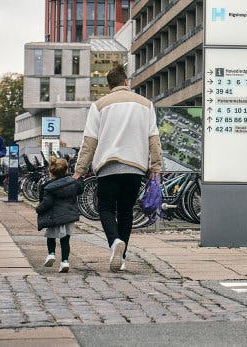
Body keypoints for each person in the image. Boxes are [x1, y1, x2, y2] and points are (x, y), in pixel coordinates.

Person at [74, 63, 161, 272]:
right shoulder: (146, 104)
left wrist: (79, 170)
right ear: (125, 82)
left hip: (108, 166)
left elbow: (89, 142)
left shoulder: (99, 105)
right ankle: (122, 259)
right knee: (125, 211)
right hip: (134, 167)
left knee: (105, 207)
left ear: (109, 85)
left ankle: (114, 243)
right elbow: (154, 138)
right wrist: (155, 166)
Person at [36, 158, 81, 273]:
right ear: (66, 170)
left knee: (51, 237)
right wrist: (78, 179)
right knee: (65, 240)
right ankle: (65, 261)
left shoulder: (49, 187)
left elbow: (47, 203)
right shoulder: (72, 183)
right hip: (69, 217)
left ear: (51, 172)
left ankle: (51, 254)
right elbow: (80, 189)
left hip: (54, 217)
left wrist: (38, 209)